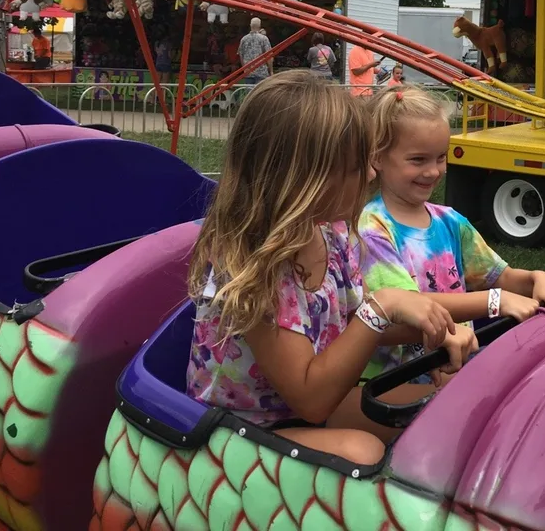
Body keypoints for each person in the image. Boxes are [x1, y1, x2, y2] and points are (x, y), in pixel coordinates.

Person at [185, 71, 457, 464]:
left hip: (307, 412)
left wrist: (432, 327)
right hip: (243, 428)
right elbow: (311, 398)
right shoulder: (252, 266)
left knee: (450, 406)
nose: (370, 174)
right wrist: (382, 306)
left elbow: (355, 328)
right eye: (352, 167)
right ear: (301, 179)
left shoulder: (330, 236)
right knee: (361, 453)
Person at [357, 85, 545, 381]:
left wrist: (536, 277)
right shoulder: (372, 229)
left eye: (440, 158)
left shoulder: (450, 221)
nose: (433, 171)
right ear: (377, 158)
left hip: (458, 369)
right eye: (418, 160)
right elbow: (404, 306)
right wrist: (495, 301)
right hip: (400, 382)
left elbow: (501, 277)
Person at [238, 17, 272, 84]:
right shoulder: (264, 39)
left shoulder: (244, 39)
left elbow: (241, 55)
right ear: (259, 25)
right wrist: (271, 71)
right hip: (262, 72)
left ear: (250, 25)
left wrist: (245, 68)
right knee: (260, 93)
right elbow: (269, 56)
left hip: (248, 72)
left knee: (250, 93)